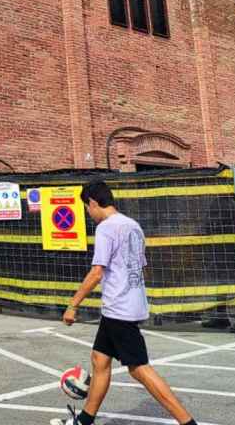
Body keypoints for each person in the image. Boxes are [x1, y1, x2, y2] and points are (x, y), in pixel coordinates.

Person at [53, 180, 198, 425]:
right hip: (128, 305)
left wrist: (73, 304)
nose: (89, 214)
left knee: (138, 368)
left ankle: (188, 423)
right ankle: (84, 421)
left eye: (87, 208)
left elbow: (97, 272)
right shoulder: (133, 226)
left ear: (93, 202)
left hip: (119, 308)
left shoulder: (106, 228)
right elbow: (140, 268)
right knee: (100, 359)